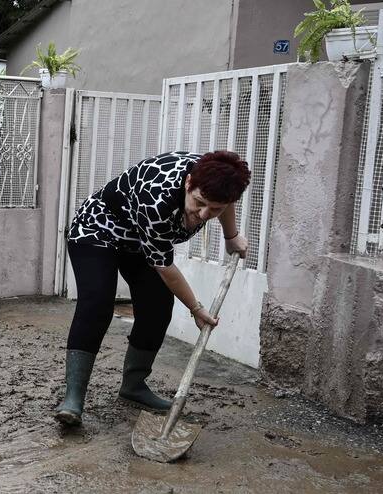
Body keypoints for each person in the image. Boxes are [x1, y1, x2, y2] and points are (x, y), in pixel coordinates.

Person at [54, 150, 251, 427]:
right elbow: (166, 269)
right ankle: (73, 399)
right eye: (200, 203)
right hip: (98, 230)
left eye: (215, 209)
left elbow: (225, 201)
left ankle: (134, 386)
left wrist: (231, 236)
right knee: (97, 304)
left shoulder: (218, 180)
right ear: (188, 183)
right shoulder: (158, 200)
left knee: (157, 307)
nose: (204, 214)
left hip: (139, 242)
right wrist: (196, 308)